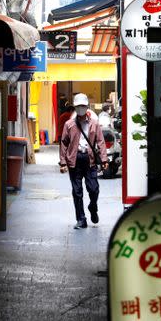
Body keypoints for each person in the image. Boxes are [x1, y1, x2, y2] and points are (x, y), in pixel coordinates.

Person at [59, 93, 108, 229]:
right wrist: (63, 162)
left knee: (94, 189)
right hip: (74, 160)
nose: (81, 108)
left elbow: (100, 141)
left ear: (87, 107)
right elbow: (63, 143)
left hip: (90, 159)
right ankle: (81, 219)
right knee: (77, 191)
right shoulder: (69, 124)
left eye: (83, 106)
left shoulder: (94, 124)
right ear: (75, 107)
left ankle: (93, 207)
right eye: (78, 106)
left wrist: (104, 159)